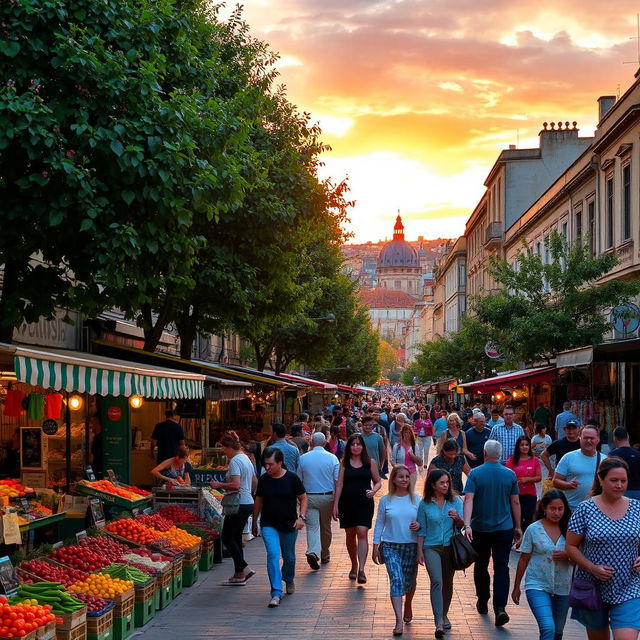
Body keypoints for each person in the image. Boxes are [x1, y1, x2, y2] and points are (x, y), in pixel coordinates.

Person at [565, 457, 640, 638]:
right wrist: (592, 568)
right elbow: (571, 546)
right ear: (601, 479)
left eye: (623, 481)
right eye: (614, 480)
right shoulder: (585, 509)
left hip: (630, 585)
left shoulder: (637, 508)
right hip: (592, 587)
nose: (619, 485)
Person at [463, 440, 522, 627]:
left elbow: (468, 499)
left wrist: (467, 524)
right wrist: (518, 526)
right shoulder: (510, 474)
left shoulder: (475, 473)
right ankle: (500, 608)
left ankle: (483, 598)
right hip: (504, 528)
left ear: (484, 452)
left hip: (480, 527)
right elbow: (515, 502)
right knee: (502, 567)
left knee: (480, 565)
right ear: (500, 453)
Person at [511, 490, 572, 640]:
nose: (557, 513)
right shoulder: (533, 529)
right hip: (537, 584)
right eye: (553, 508)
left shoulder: (571, 530)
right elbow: (524, 559)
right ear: (544, 508)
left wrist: (568, 555)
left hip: (563, 587)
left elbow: (581, 557)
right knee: (547, 628)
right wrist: (516, 586)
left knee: (557, 632)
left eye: (560, 509)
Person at [252, 447, 307, 608]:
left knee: (289, 557)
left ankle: (288, 578)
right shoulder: (263, 480)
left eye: (270, 464)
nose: (267, 467)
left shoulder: (292, 478)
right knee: (273, 554)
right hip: (269, 523)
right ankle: (276, 592)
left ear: (280, 463)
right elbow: (259, 501)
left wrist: (301, 517)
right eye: (265, 464)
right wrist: (255, 521)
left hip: (289, 524)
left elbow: (303, 498)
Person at [372, 465, 420, 636]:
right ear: (393, 479)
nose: (404, 480)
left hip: (411, 546)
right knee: (397, 579)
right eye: (401, 477)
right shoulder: (386, 500)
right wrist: (375, 545)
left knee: (410, 581)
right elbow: (379, 523)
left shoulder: (416, 499)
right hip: (390, 545)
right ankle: (399, 620)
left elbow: (423, 521)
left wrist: (419, 525)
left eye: (407, 477)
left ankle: (408, 603)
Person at [417, 469, 464, 638]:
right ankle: (438, 622)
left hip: (450, 546)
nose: (445, 485)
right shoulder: (425, 504)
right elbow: (421, 529)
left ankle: (444, 614)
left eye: (447, 482)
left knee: (447, 582)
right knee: (437, 581)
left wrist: (457, 518)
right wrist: (419, 551)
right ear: (433, 485)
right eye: (442, 483)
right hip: (431, 546)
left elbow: (462, 526)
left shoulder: (455, 501)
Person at [333, 433, 382, 584]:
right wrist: (335, 504)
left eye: (358, 444)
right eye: (353, 444)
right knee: (350, 534)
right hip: (347, 502)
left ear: (363, 446)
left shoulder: (370, 462)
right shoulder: (344, 462)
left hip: (364, 502)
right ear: (349, 447)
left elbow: (378, 481)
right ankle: (353, 564)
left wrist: (374, 491)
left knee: (362, 532)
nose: (355, 447)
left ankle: (361, 569)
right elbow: (339, 484)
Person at [210, 433, 257, 584]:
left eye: (224, 448)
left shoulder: (235, 461)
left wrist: (219, 485)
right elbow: (254, 481)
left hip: (238, 504)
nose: (224, 451)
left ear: (229, 447)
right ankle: (239, 574)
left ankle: (245, 567)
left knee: (227, 537)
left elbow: (236, 485)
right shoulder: (245, 458)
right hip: (247, 502)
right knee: (236, 537)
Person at [297, 432, 340, 569]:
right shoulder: (332, 458)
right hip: (327, 496)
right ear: (324, 442)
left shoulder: (303, 458)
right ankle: (325, 554)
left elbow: (299, 479)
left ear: (312, 443)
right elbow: (337, 481)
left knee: (312, 527)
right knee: (326, 527)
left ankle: (313, 551)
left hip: (309, 497)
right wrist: (336, 502)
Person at [553, 426, 606, 511]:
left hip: (597, 511)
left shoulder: (605, 460)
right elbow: (555, 481)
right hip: (572, 510)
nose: (588, 441)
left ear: (598, 439)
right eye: (585, 438)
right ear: (580, 438)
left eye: (592, 438)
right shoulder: (568, 457)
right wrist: (568, 485)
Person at [506, 436, 542, 532]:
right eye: (522, 445)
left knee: (528, 520)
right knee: (514, 520)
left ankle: (525, 542)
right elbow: (506, 477)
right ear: (518, 446)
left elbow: (539, 477)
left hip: (530, 495)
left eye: (527, 445)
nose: (525, 447)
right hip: (515, 495)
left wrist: (527, 479)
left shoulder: (534, 460)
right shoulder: (512, 460)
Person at [608, 427, 640, 499]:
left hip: (621, 490)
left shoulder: (612, 455)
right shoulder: (638, 454)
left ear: (614, 438)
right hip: (638, 490)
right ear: (628, 437)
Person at [391, 426, 421, 492]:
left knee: (411, 492)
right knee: (399, 491)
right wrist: (398, 470)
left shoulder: (414, 446)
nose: (407, 434)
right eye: (405, 432)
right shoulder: (397, 446)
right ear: (402, 434)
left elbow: (419, 463)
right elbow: (393, 461)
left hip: (412, 473)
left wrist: (412, 455)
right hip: (399, 474)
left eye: (409, 432)